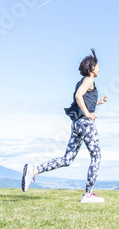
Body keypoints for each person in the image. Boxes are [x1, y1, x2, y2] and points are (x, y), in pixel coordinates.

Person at [21, 48, 108, 203]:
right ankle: (88, 195)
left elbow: (83, 99)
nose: (100, 68)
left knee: (67, 159)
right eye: (98, 65)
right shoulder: (89, 80)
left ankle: (33, 171)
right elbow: (78, 96)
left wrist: (98, 102)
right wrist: (88, 114)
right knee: (96, 156)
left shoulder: (81, 82)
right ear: (92, 68)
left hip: (76, 125)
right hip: (86, 124)